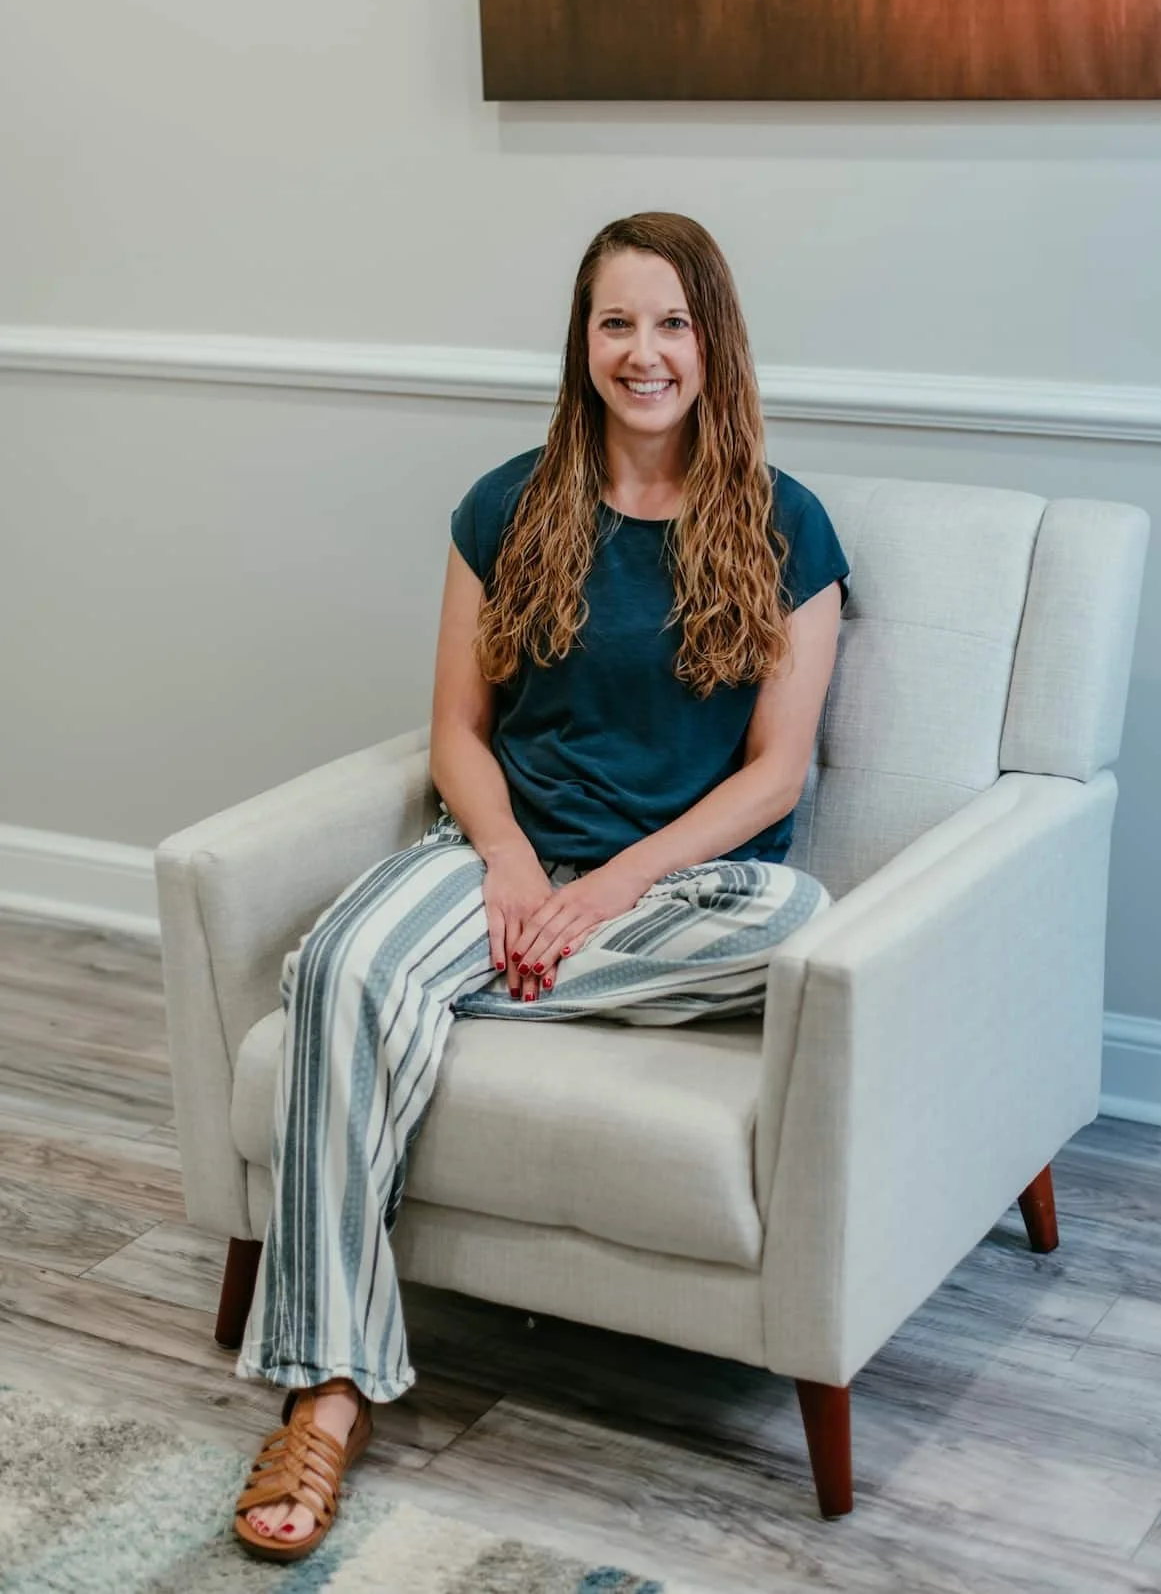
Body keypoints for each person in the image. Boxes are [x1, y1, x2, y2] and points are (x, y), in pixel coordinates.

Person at [231, 211, 850, 1562]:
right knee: (339, 963)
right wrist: (513, 863)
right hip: (498, 868)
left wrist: (605, 889)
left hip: (676, 895)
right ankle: (326, 1392)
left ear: (715, 342)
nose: (645, 351)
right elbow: (456, 732)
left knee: (799, 924)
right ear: (582, 342)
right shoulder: (503, 505)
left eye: (672, 323)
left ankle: (415, 998)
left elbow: (774, 776)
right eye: (616, 322)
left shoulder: (788, 524)